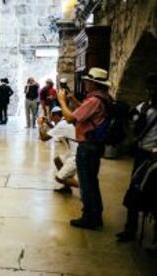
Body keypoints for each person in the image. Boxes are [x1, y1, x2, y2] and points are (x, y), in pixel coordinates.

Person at [58, 67, 113, 230]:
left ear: (95, 84)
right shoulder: (103, 98)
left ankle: (89, 217)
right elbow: (84, 111)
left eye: (89, 82)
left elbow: (70, 118)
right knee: (92, 181)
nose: (87, 84)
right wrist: (73, 99)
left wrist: (62, 101)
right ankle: (96, 215)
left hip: (87, 146)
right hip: (95, 145)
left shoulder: (94, 100)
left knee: (87, 183)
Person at [117, 73, 157, 244]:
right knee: (134, 189)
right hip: (143, 154)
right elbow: (129, 124)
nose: (151, 91)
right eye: (150, 88)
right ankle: (130, 228)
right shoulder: (144, 107)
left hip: (154, 156)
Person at [37, 106, 78, 194]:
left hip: (76, 155)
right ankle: (67, 188)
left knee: (59, 178)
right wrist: (48, 122)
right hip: (73, 151)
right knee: (57, 160)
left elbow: (44, 138)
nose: (50, 117)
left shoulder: (62, 125)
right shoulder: (64, 122)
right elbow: (56, 129)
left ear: (56, 116)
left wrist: (40, 125)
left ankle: (84, 187)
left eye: (52, 116)